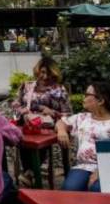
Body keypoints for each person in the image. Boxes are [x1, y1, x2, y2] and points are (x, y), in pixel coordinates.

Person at [11, 57, 71, 187]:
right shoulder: (27, 86)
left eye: (49, 73)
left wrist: (52, 112)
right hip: (28, 125)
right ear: (37, 71)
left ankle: (29, 174)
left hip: (47, 128)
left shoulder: (60, 90)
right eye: (42, 72)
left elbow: (68, 114)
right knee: (22, 139)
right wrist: (24, 113)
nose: (45, 76)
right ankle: (29, 174)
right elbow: (15, 105)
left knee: (39, 141)